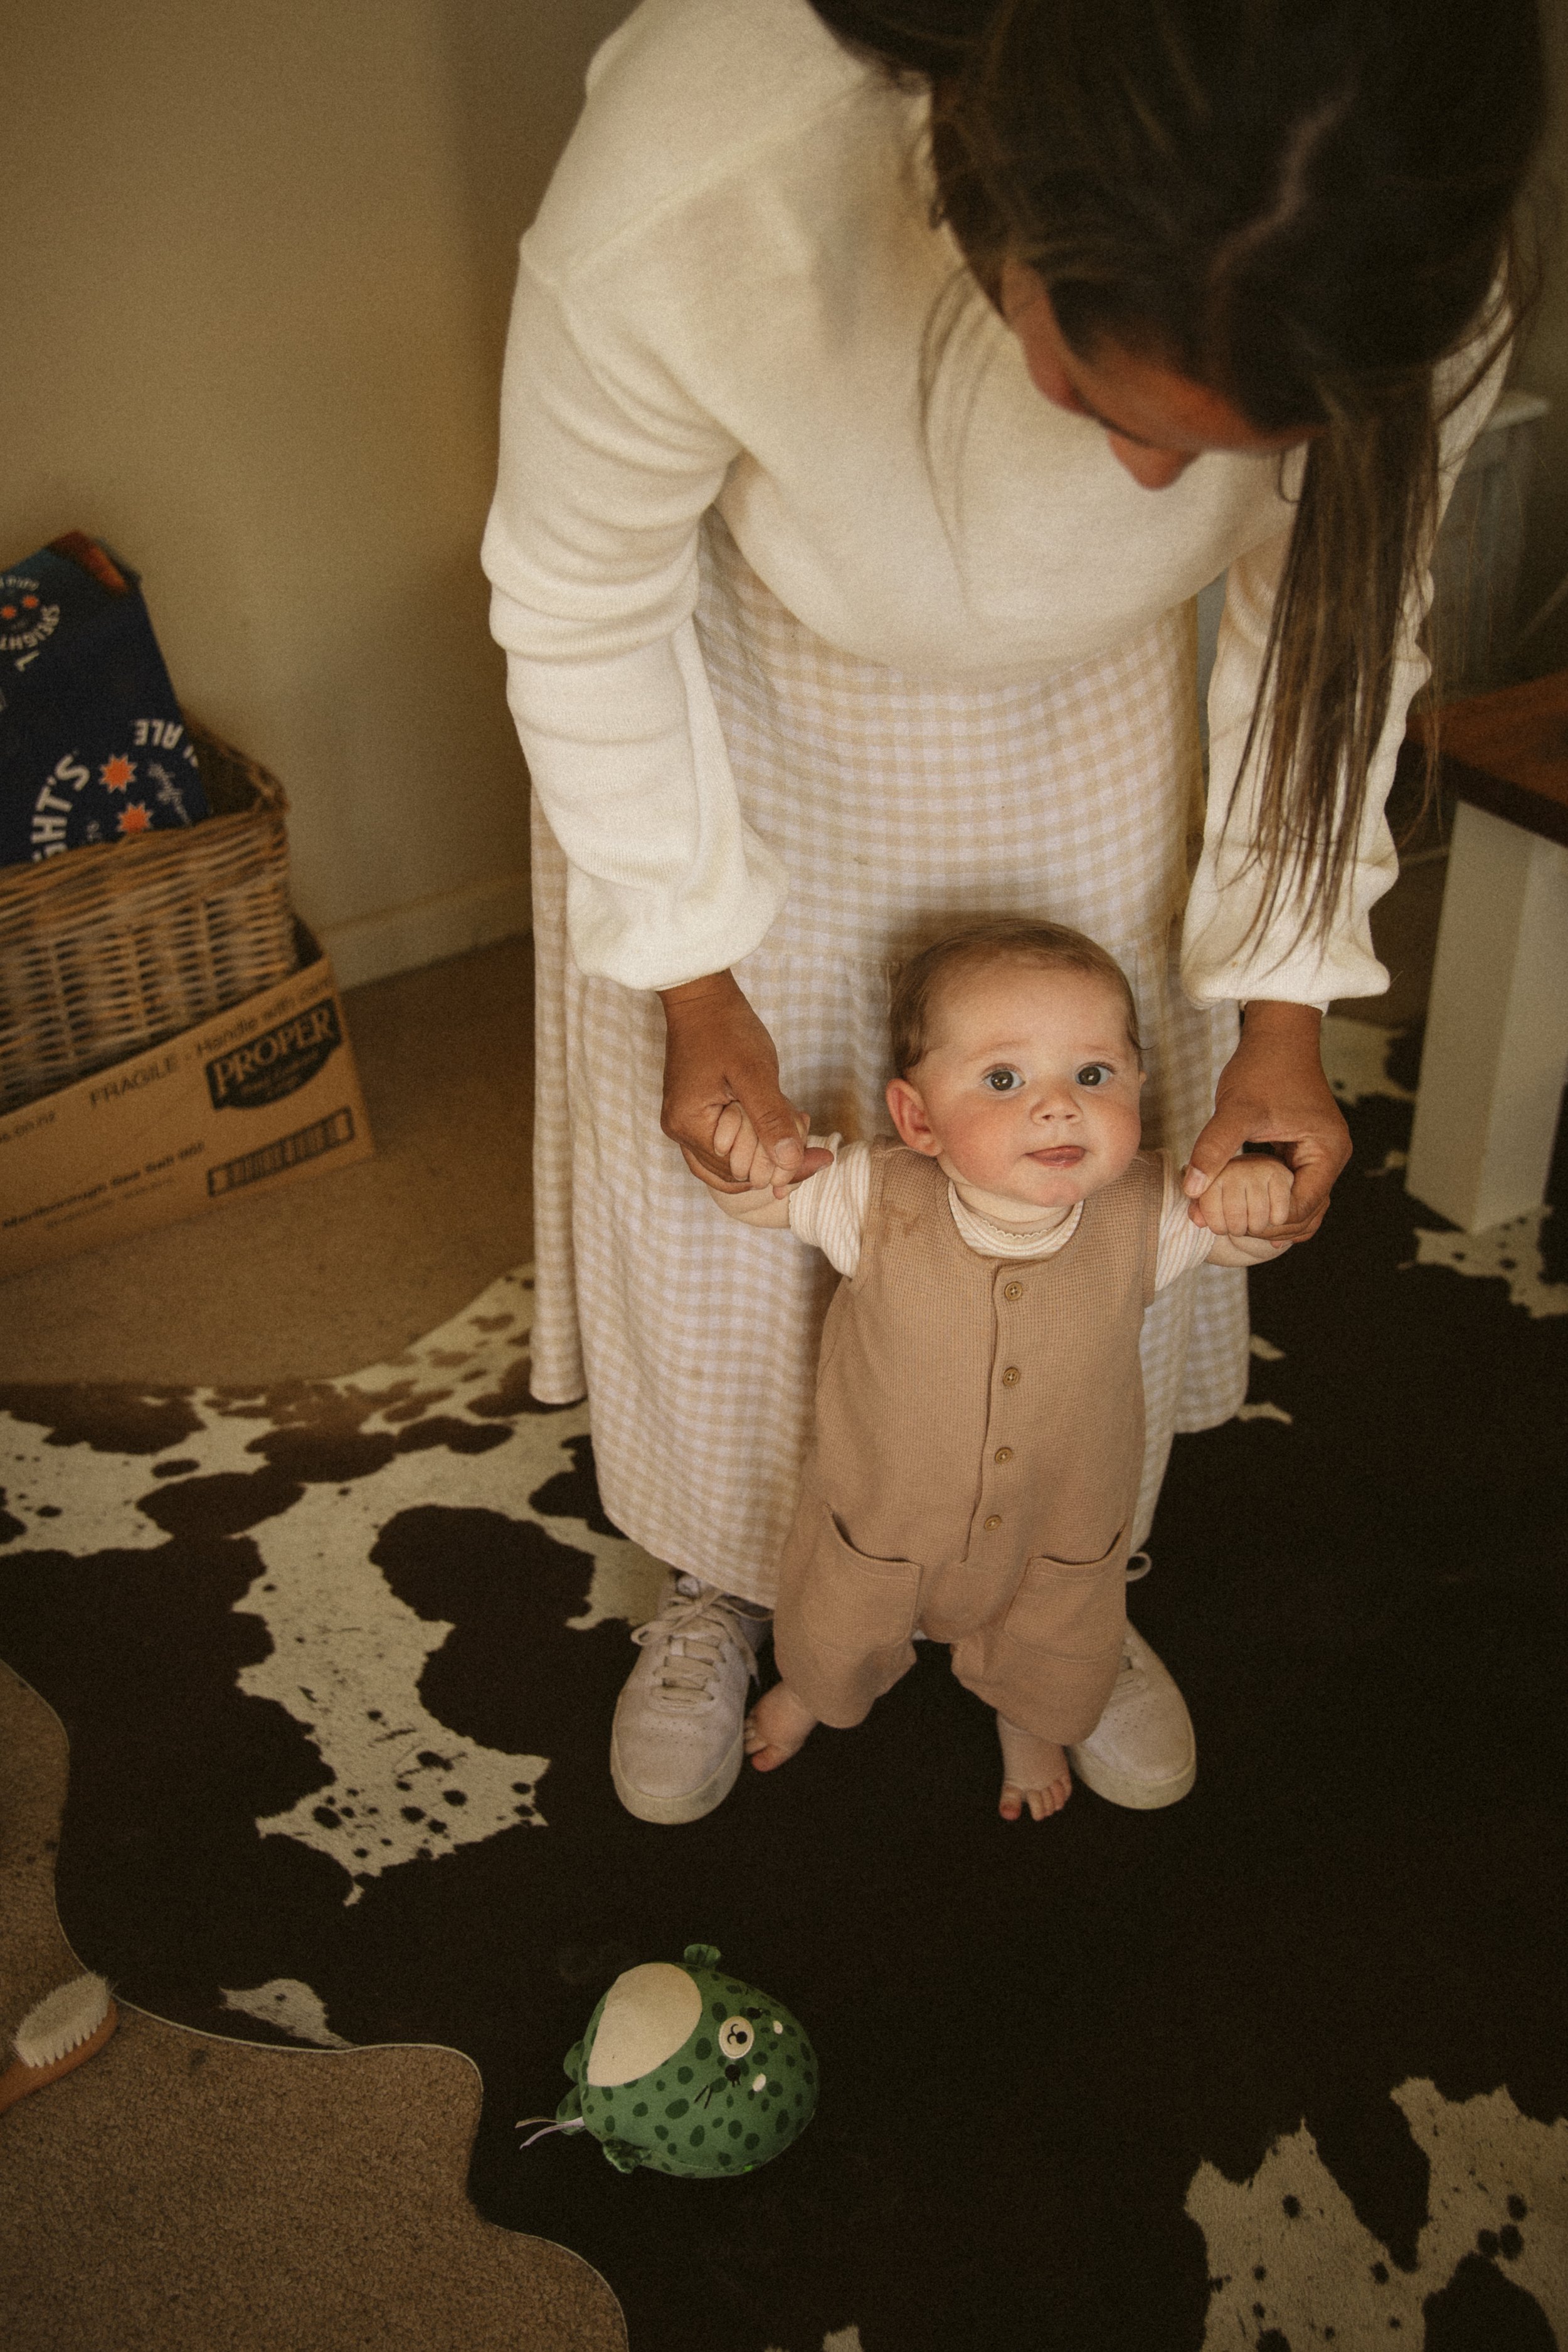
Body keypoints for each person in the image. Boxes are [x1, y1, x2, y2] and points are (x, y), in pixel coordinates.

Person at [481, 0, 1544, 1825]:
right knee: (739, 1211)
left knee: (1077, 1173)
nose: (1149, 487)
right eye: (1106, 410)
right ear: (994, 216)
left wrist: (1282, 1009)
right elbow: (579, 605)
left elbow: (1326, 634)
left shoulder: (1410, 240)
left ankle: (1057, 1585)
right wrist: (692, 984)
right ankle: (723, 1569)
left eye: (1224, 446)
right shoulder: (701, 178)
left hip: (1090, 704)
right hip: (727, 692)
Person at [703, 919, 1290, 1820]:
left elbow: (1247, 1237)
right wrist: (745, 1156)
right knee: (838, 1618)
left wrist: (1256, 1191)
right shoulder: (871, 1192)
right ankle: (814, 1692)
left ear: (1139, 1084)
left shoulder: (1155, 1206)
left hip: (1059, 1511)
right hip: (886, 1508)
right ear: (918, 1119)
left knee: (1054, 1632)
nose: (1059, 1108)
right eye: (1005, 1079)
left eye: (1093, 1075)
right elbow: (761, 1196)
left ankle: (1030, 1719)